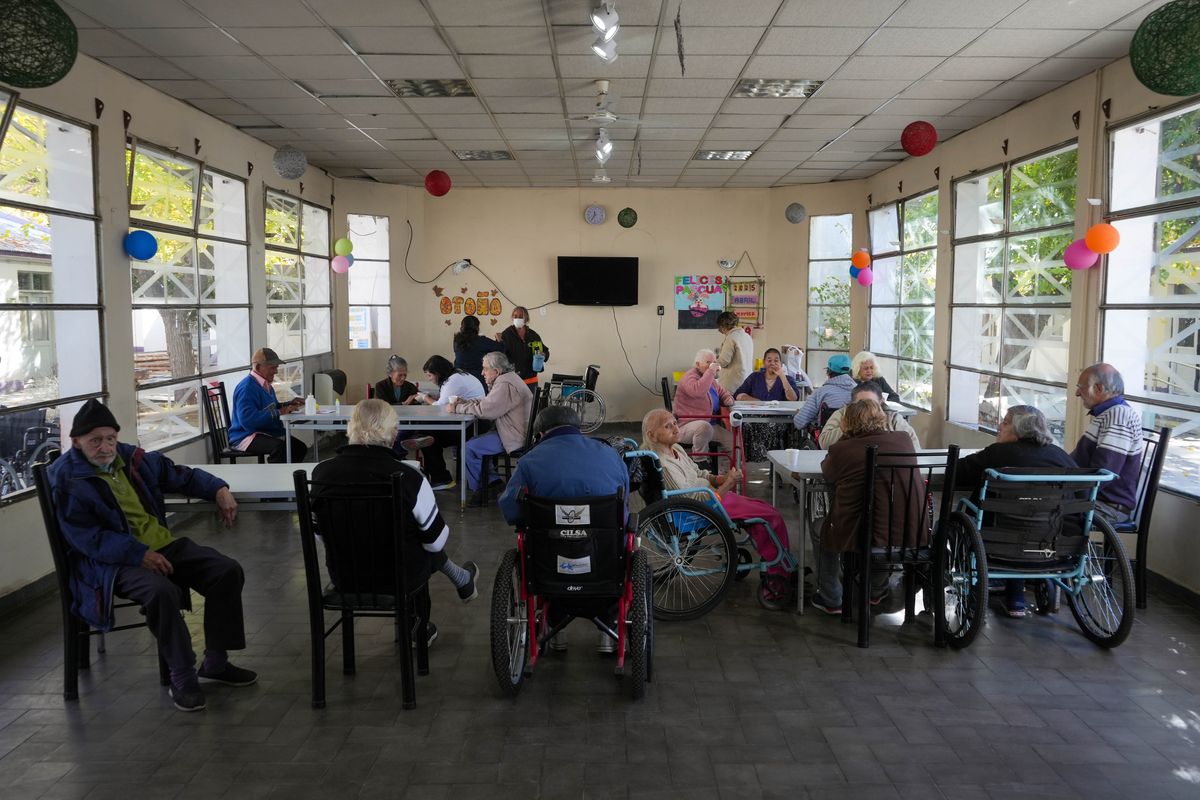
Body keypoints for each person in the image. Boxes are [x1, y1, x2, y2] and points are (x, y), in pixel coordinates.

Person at [48, 399, 253, 712]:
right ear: (76, 441)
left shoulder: (131, 459)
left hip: (161, 545)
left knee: (226, 570)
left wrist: (218, 489)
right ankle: (181, 675)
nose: (105, 447)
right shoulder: (67, 478)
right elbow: (87, 538)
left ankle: (215, 661)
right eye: (95, 440)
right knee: (161, 591)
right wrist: (138, 554)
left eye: (110, 438)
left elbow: (179, 475)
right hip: (110, 563)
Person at [311, 400, 479, 649]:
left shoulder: (321, 474)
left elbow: (320, 534)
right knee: (421, 541)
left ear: (350, 427)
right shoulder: (409, 477)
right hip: (399, 578)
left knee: (410, 539)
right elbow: (436, 542)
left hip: (345, 577)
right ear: (394, 433)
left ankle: (459, 581)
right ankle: (417, 628)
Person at [499, 405, 630, 653]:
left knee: (541, 543)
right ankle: (609, 630)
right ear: (578, 428)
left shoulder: (529, 462)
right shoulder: (610, 455)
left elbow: (511, 511)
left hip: (548, 567)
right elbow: (623, 509)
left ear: (540, 433)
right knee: (618, 539)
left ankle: (554, 625)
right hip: (604, 563)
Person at [641, 408, 794, 590]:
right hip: (704, 508)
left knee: (762, 508)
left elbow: (699, 473)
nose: (676, 428)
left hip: (713, 497)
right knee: (769, 516)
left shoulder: (676, 448)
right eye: (668, 426)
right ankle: (778, 574)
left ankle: (775, 561)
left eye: (675, 423)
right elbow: (691, 499)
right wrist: (727, 484)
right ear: (652, 435)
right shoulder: (664, 465)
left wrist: (719, 479)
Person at [955, 405, 1077, 618]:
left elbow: (957, 472)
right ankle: (1015, 599)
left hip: (997, 541)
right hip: (1050, 543)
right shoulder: (1060, 456)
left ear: (1019, 429)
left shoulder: (997, 454)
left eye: (1005, 422)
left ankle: (977, 595)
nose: (999, 426)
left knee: (1005, 523)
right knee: (1024, 524)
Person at [811, 399, 924, 615]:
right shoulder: (903, 439)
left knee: (820, 528)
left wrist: (845, 437)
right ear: (882, 418)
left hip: (858, 536)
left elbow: (828, 473)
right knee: (884, 524)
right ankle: (876, 589)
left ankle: (831, 597)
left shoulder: (843, 449)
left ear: (847, 423)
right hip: (909, 532)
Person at [451, 352, 534, 506]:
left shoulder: (505, 384)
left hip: (513, 437)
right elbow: (490, 402)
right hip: (514, 432)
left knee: (469, 448)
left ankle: (485, 488)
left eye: (485, 369)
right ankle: (492, 482)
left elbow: (487, 411)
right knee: (474, 442)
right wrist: (467, 402)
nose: (482, 373)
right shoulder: (509, 378)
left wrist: (457, 408)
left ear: (496, 371)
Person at [1071, 363, 1143, 524]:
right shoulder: (1109, 414)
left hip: (1106, 507)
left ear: (1098, 388)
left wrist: (1064, 492)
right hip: (1095, 500)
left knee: (1037, 511)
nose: (1077, 393)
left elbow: (1104, 474)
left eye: (1081, 387)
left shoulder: (1118, 416)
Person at [402, 355, 486, 491]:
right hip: (476, 423)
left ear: (438, 373)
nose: (429, 379)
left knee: (428, 437)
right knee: (428, 436)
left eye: (429, 375)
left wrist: (425, 397)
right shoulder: (459, 375)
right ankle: (421, 441)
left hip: (471, 427)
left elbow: (439, 407)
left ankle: (441, 479)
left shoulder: (452, 380)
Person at [229, 347, 306, 463]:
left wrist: (289, 404)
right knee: (279, 448)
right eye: (272, 368)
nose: (276, 371)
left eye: (276, 367)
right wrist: (280, 412)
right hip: (245, 436)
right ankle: (274, 473)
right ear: (258, 367)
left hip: (263, 432)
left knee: (299, 448)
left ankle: (286, 473)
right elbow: (247, 420)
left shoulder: (266, 385)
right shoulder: (247, 388)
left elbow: (272, 407)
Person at [733, 347, 801, 461]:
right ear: (764, 363)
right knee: (747, 425)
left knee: (775, 426)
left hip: (779, 418)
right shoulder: (754, 377)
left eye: (776, 360)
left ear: (781, 363)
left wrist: (782, 376)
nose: (772, 363)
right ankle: (753, 458)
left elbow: (794, 398)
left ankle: (775, 459)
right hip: (755, 417)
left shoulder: (788, 379)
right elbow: (738, 394)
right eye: (769, 360)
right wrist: (757, 402)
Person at [820, 381, 920, 450]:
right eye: (861, 403)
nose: (866, 408)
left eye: (872, 403)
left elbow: (914, 447)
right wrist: (845, 428)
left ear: (881, 402)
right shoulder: (842, 414)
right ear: (852, 404)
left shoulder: (893, 419)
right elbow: (824, 443)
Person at [673, 348, 735, 454]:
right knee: (704, 427)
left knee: (733, 442)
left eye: (714, 362)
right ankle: (700, 460)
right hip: (687, 425)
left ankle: (730, 464)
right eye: (708, 362)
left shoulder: (710, 378)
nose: (712, 365)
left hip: (711, 424)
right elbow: (698, 391)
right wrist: (711, 371)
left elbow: (721, 392)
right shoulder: (690, 377)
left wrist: (727, 399)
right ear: (698, 364)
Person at [792, 354, 856, 432]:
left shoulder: (820, 393)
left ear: (828, 372)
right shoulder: (861, 392)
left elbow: (799, 422)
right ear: (851, 373)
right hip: (855, 437)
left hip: (828, 438)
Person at [496, 306, 550, 393]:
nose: (518, 318)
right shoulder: (506, 335)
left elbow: (545, 351)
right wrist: (499, 343)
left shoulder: (533, 335)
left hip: (531, 381)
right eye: (515, 316)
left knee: (531, 402)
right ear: (512, 318)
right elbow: (498, 356)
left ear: (526, 319)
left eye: (521, 316)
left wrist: (544, 355)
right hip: (512, 381)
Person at [453, 315, 504, 386]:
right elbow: (501, 348)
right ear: (477, 328)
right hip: (477, 379)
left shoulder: (456, 341)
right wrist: (500, 339)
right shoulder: (480, 341)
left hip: (458, 377)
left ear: (462, 327)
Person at [715, 311, 754, 394]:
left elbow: (724, 361)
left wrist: (711, 364)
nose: (720, 331)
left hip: (733, 384)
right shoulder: (747, 336)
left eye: (719, 328)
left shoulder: (731, 338)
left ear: (723, 327)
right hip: (747, 380)